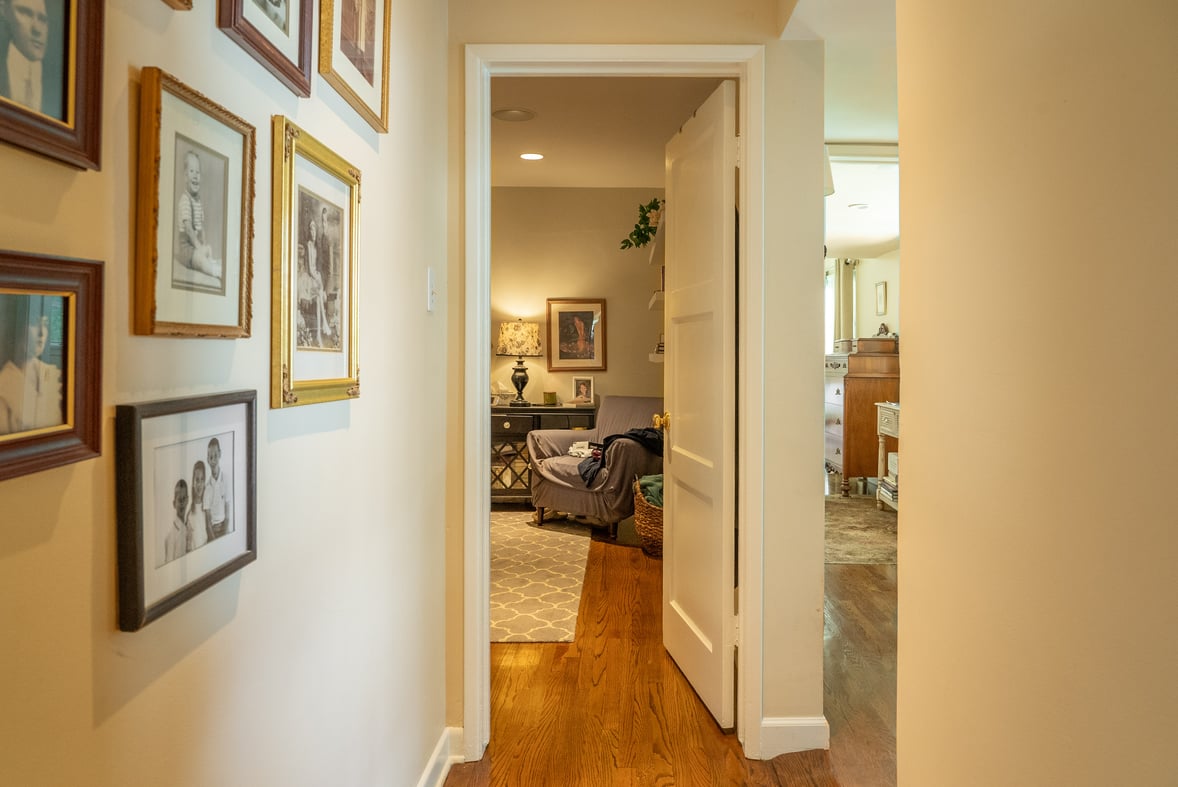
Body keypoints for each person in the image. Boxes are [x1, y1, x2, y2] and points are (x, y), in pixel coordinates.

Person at [0, 304, 63, 436]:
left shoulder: (52, 374)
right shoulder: (4, 386)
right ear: (18, 328)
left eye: (44, 324)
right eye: (34, 323)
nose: (42, 333)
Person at [0, 0, 61, 117]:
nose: (37, 29)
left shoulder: (59, 85)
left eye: (42, 19)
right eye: (25, 13)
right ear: (4, 10)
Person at [176, 150, 223, 284]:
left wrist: (204, 245)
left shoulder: (198, 201)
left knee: (208, 249)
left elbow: (201, 228)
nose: (195, 176)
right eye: (192, 171)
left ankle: (210, 262)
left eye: (198, 172)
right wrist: (198, 247)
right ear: (185, 177)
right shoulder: (185, 200)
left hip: (196, 245)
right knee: (200, 259)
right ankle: (214, 270)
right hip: (187, 249)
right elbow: (189, 230)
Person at [204, 437, 232, 540]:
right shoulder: (207, 488)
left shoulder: (226, 479)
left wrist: (224, 535)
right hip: (213, 531)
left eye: (215, 455)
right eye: (211, 457)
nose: (213, 460)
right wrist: (215, 540)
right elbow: (208, 524)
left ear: (220, 454)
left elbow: (228, 516)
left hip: (225, 527)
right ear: (208, 460)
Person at [186, 460, 210, 552]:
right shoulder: (189, 513)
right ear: (193, 483)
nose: (199, 484)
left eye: (202, 479)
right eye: (197, 480)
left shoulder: (207, 509)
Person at [164, 479, 189, 564]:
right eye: (179, 500)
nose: (182, 503)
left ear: (187, 500)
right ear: (174, 503)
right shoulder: (171, 536)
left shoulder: (189, 527)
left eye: (184, 499)